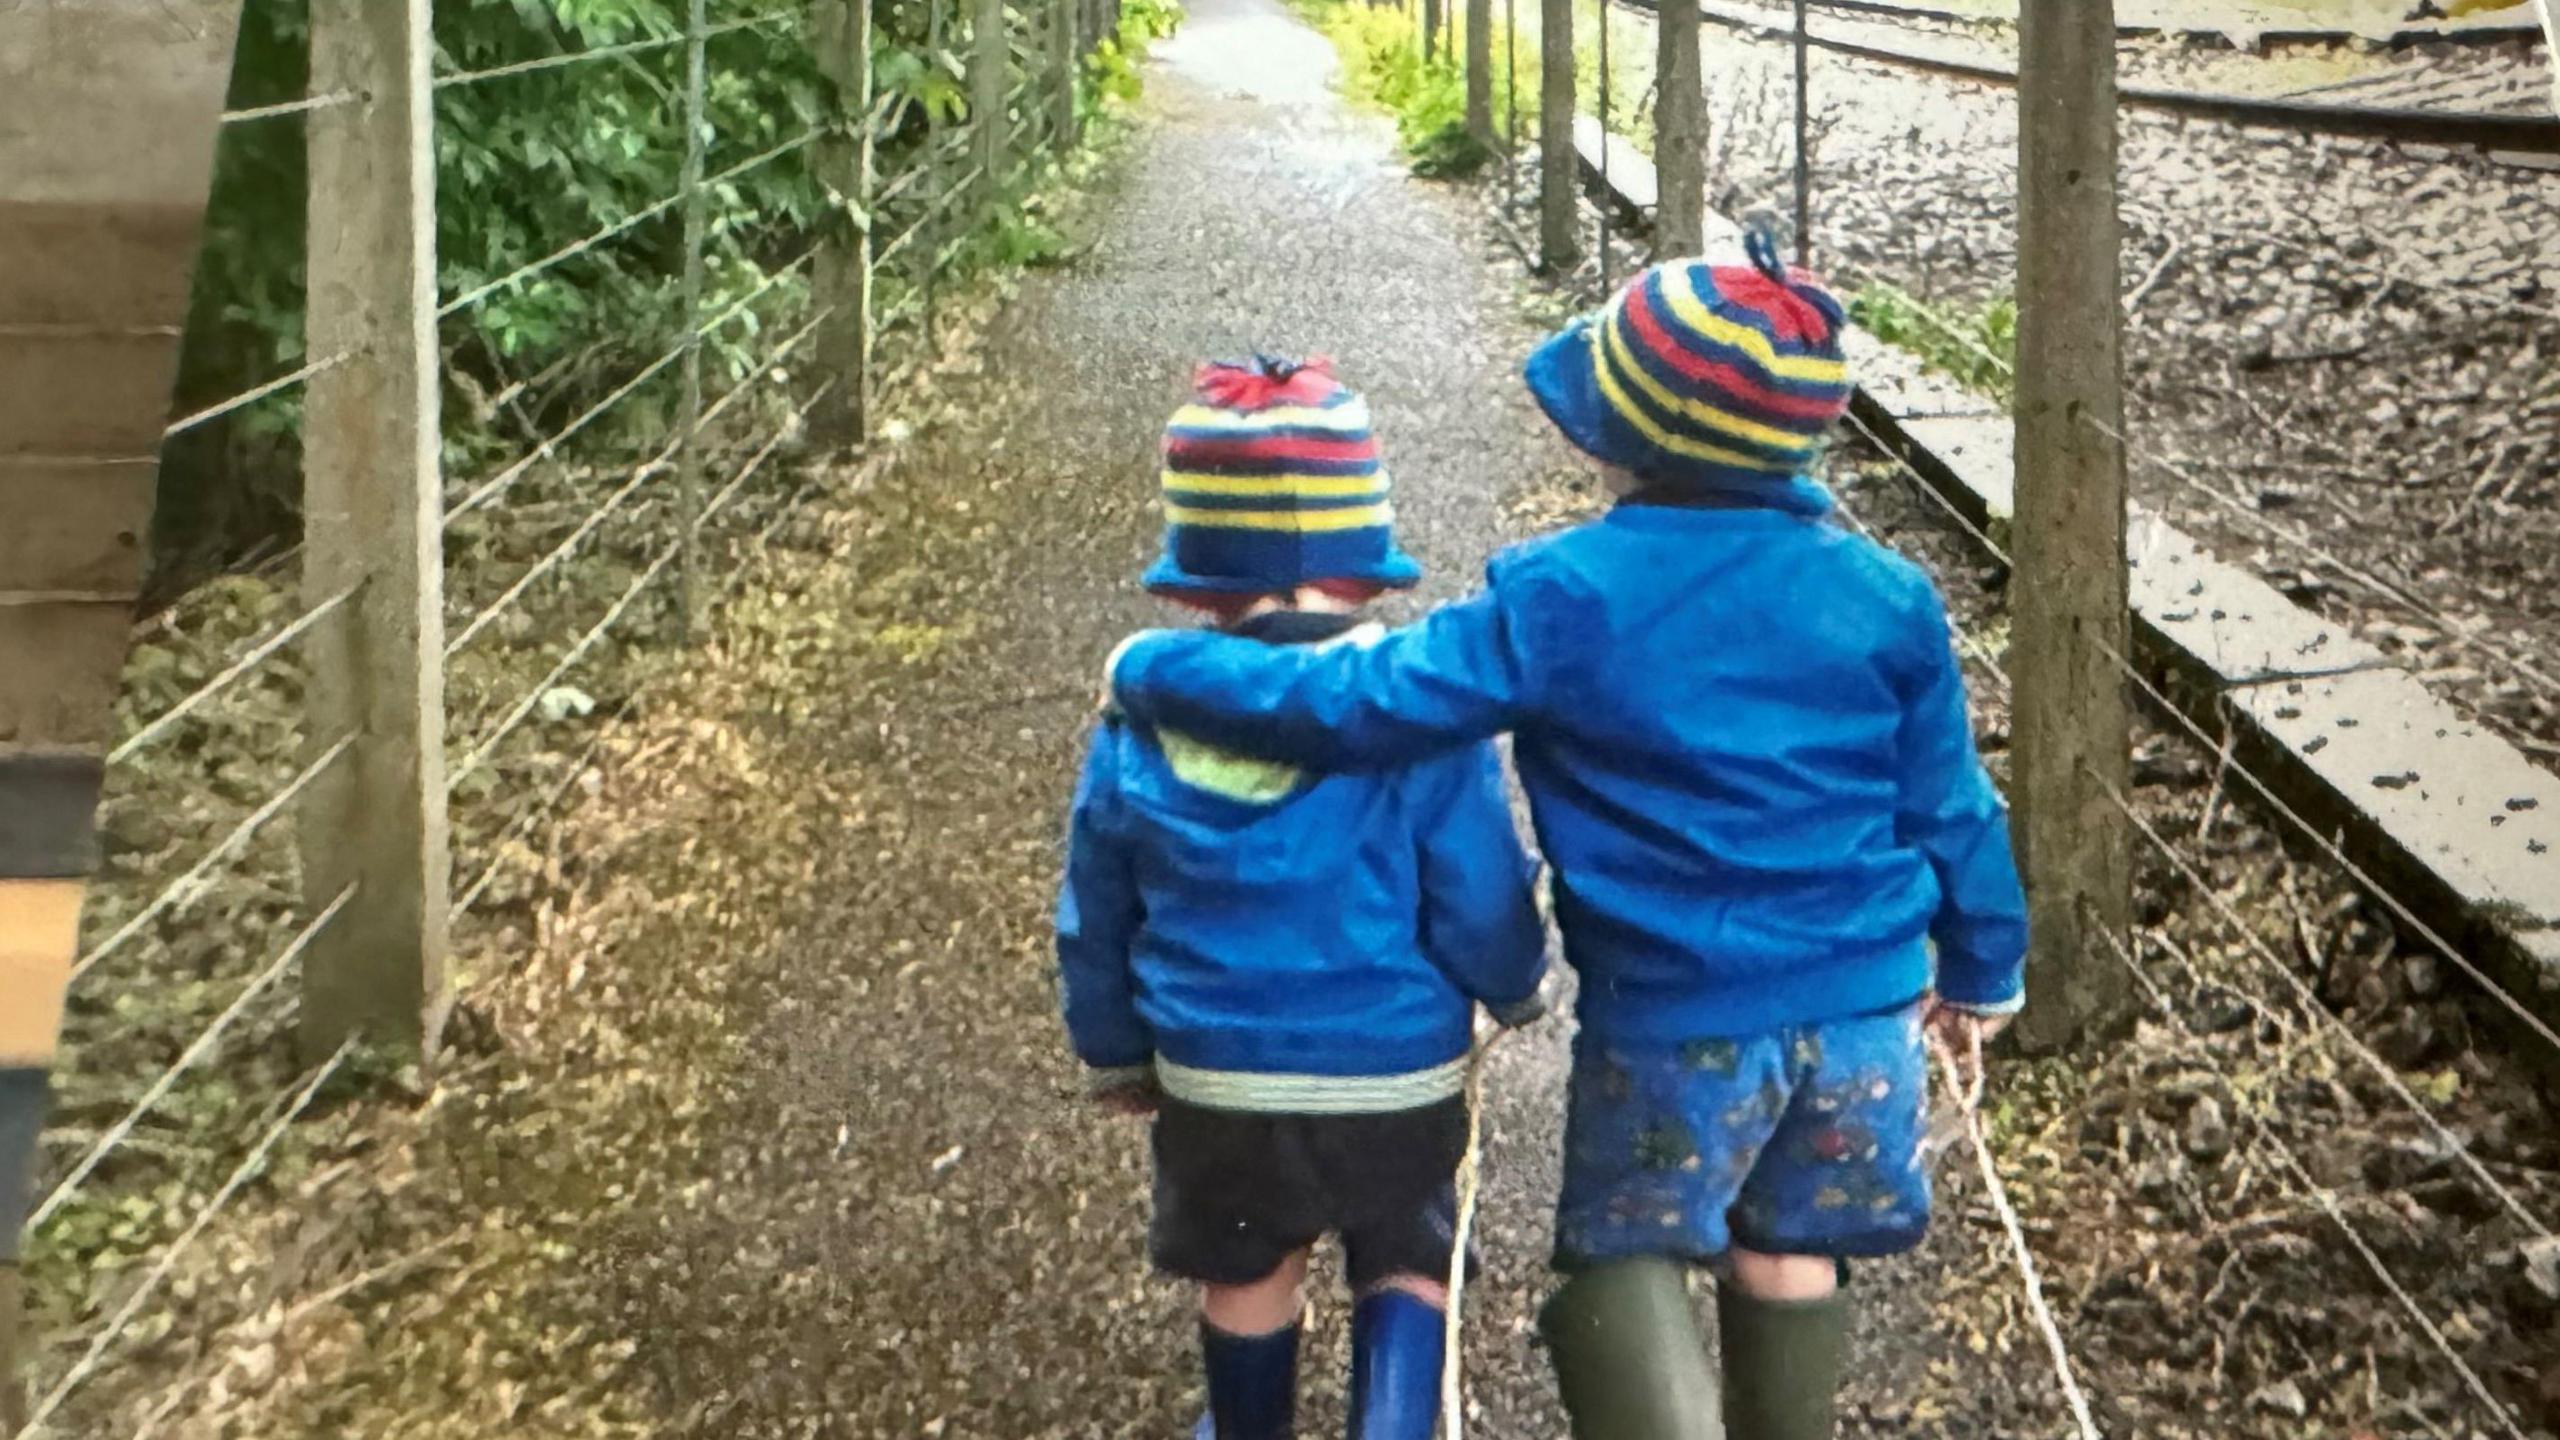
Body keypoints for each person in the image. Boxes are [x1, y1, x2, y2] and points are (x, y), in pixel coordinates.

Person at [1101, 240, 2030, 1440]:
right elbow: (1952, 809)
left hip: (1673, 1025)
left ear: (1619, 433)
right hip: (1862, 1022)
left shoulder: (1562, 594)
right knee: (1792, 1251)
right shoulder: (1890, 599)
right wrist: (1983, 969)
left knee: (1625, 1263)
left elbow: (1357, 703)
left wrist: (1165, 666)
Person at [1056, 355, 1549, 1440]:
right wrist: (1511, 985)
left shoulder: (1137, 724)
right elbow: (1478, 881)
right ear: (1368, 571)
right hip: (1395, 1068)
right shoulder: (1420, 716)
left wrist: (1117, 1051)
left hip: (1215, 1074)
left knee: (1243, 1265)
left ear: (1195, 584)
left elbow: (1098, 905)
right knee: (1407, 1247)